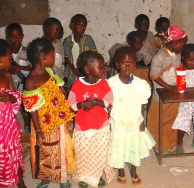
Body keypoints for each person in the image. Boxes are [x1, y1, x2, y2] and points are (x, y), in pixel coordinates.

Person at [22, 38, 75, 188]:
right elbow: (32, 109)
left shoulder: (48, 71)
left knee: (60, 149)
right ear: (44, 58)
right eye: (53, 55)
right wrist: (38, 130)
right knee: (45, 151)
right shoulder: (31, 81)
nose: (55, 58)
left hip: (57, 120)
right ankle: (46, 177)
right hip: (43, 125)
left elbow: (57, 93)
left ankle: (62, 177)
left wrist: (66, 110)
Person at [108, 46, 155, 185]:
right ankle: (121, 171)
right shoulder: (111, 84)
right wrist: (108, 122)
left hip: (134, 121)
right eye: (124, 63)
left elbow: (141, 104)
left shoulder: (140, 84)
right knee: (118, 146)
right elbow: (108, 105)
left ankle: (134, 171)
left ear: (135, 64)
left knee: (134, 146)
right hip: (118, 121)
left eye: (131, 63)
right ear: (117, 64)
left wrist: (141, 120)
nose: (128, 66)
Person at [68, 51, 114, 188]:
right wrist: (82, 104)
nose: (103, 69)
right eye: (100, 66)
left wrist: (97, 102)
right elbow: (70, 106)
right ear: (88, 69)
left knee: (100, 152)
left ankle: (97, 174)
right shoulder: (77, 85)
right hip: (83, 127)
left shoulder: (104, 83)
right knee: (83, 153)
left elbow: (110, 102)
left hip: (101, 127)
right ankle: (84, 177)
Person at [147, 25, 187, 154]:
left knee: (171, 119)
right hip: (162, 94)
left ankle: (168, 143)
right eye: (182, 44)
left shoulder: (177, 54)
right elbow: (154, 75)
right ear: (175, 43)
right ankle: (158, 144)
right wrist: (169, 87)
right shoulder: (159, 57)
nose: (183, 47)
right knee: (160, 120)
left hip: (173, 93)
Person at [0, 39, 27, 188]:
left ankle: (20, 182)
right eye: (9, 57)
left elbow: (17, 99)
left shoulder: (7, 75)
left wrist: (10, 97)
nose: (10, 60)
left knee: (14, 156)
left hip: (8, 127)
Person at [172, 44, 194, 153]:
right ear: (183, 58)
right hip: (185, 101)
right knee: (183, 121)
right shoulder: (180, 70)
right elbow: (178, 86)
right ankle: (179, 144)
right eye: (190, 60)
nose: (193, 63)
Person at [5, 23, 31, 132]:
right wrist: (8, 71)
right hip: (10, 87)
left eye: (19, 36)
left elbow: (33, 67)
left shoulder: (28, 52)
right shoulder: (5, 53)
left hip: (24, 86)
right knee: (12, 109)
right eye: (13, 36)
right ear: (8, 38)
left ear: (22, 36)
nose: (16, 39)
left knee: (25, 110)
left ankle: (27, 125)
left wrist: (20, 67)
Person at [63, 14, 97, 89]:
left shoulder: (88, 39)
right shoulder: (67, 41)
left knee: (86, 90)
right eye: (80, 26)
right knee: (73, 91)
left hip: (87, 73)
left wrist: (85, 70)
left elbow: (94, 56)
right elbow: (66, 58)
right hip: (72, 73)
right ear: (72, 26)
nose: (83, 29)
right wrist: (75, 71)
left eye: (84, 27)